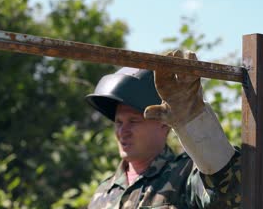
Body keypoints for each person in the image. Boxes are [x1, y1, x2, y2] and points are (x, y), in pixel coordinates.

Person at [85, 50, 241, 208]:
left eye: (133, 121)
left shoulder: (185, 175)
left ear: (163, 122)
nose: (122, 131)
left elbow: (229, 195)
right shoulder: (103, 192)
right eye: (118, 122)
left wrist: (194, 123)